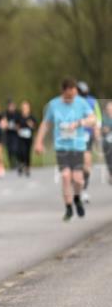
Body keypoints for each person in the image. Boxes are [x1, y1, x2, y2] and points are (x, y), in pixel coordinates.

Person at [33, 79, 96, 221]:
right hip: (62, 147)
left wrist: (80, 122)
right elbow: (46, 124)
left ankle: (77, 198)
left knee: (78, 179)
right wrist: (38, 142)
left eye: (73, 95)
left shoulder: (81, 102)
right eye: (68, 96)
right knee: (66, 176)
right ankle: (68, 208)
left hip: (78, 146)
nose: (71, 99)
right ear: (63, 92)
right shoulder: (54, 105)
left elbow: (93, 119)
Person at [77, 81, 101, 202]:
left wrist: (97, 131)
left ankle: (84, 190)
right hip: (75, 136)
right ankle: (77, 189)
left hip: (88, 135)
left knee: (86, 165)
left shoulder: (92, 101)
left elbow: (98, 117)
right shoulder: (73, 102)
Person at [15, 100, 37, 176]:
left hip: (28, 138)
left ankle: (27, 167)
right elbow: (16, 125)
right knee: (21, 152)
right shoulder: (19, 116)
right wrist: (18, 130)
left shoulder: (31, 117)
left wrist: (30, 124)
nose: (25, 109)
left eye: (26, 107)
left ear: (29, 108)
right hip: (21, 138)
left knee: (27, 153)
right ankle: (21, 164)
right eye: (23, 107)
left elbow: (34, 126)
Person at [3, 98, 20, 171]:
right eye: (9, 106)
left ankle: (17, 161)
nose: (11, 107)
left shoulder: (17, 114)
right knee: (9, 149)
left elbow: (20, 124)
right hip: (8, 134)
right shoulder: (5, 114)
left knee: (15, 149)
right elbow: (3, 124)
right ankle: (11, 163)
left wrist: (16, 126)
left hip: (15, 135)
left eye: (12, 106)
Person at [102, 101, 112, 182]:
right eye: (108, 108)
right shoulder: (104, 119)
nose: (110, 110)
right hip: (107, 143)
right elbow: (101, 129)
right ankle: (110, 173)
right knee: (109, 159)